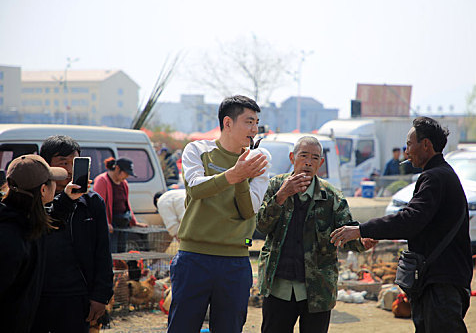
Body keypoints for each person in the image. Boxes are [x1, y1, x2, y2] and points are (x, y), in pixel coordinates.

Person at [330, 117, 473, 333]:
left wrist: (360, 230)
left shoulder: (435, 177)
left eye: (409, 144)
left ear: (426, 145)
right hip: (439, 279)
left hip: (441, 282)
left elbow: (409, 220)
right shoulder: (440, 174)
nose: (406, 151)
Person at [168, 95, 270, 333]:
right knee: (181, 326)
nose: (254, 129)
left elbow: (248, 211)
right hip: (193, 258)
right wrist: (232, 175)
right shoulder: (198, 149)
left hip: (235, 261)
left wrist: (241, 176)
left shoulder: (259, 160)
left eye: (256, 123)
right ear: (227, 123)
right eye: (249, 122)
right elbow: (194, 187)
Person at [256, 136, 377, 333]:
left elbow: (345, 233)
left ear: (320, 163)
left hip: (317, 290)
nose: (308, 162)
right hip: (278, 286)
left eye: (314, 158)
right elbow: (261, 226)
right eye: (303, 156)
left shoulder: (331, 196)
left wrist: (361, 241)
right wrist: (282, 196)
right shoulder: (276, 186)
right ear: (292, 158)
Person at [31, 135, 114, 333]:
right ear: (47, 165)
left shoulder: (92, 202)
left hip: (77, 296)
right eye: (63, 163)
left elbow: (102, 252)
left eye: (74, 162)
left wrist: (100, 296)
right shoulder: (34, 201)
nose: (69, 170)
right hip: (38, 296)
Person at [0, 155, 67, 333]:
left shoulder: (23, 222)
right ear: (43, 190)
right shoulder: (11, 237)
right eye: (53, 181)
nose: (58, 185)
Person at [93, 157, 147, 253]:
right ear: (117, 168)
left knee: (122, 251)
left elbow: (126, 203)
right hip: (111, 224)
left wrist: (134, 221)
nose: (126, 176)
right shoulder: (102, 180)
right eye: (125, 173)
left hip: (123, 222)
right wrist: (106, 222)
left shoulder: (124, 183)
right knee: (111, 252)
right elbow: (97, 205)